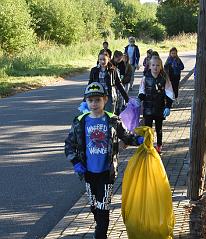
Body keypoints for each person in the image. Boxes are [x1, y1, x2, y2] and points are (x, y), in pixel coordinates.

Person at [65, 82, 144, 239]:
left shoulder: (112, 120)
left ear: (105, 100)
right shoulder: (80, 121)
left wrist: (140, 140)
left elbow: (126, 136)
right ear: (86, 102)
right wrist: (76, 163)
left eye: (97, 100)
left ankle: (100, 234)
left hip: (106, 173)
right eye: (91, 100)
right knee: (95, 206)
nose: (94, 104)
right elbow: (69, 145)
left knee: (104, 207)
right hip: (88, 173)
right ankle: (99, 225)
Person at [138, 56, 174, 154]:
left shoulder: (164, 78)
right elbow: (141, 91)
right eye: (153, 65)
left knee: (159, 129)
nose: (155, 67)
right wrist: (139, 99)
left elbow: (169, 92)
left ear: (161, 67)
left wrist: (168, 106)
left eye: (158, 65)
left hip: (159, 108)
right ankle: (148, 146)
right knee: (148, 129)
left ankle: (159, 146)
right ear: (149, 66)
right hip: (148, 108)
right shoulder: (145, 78)